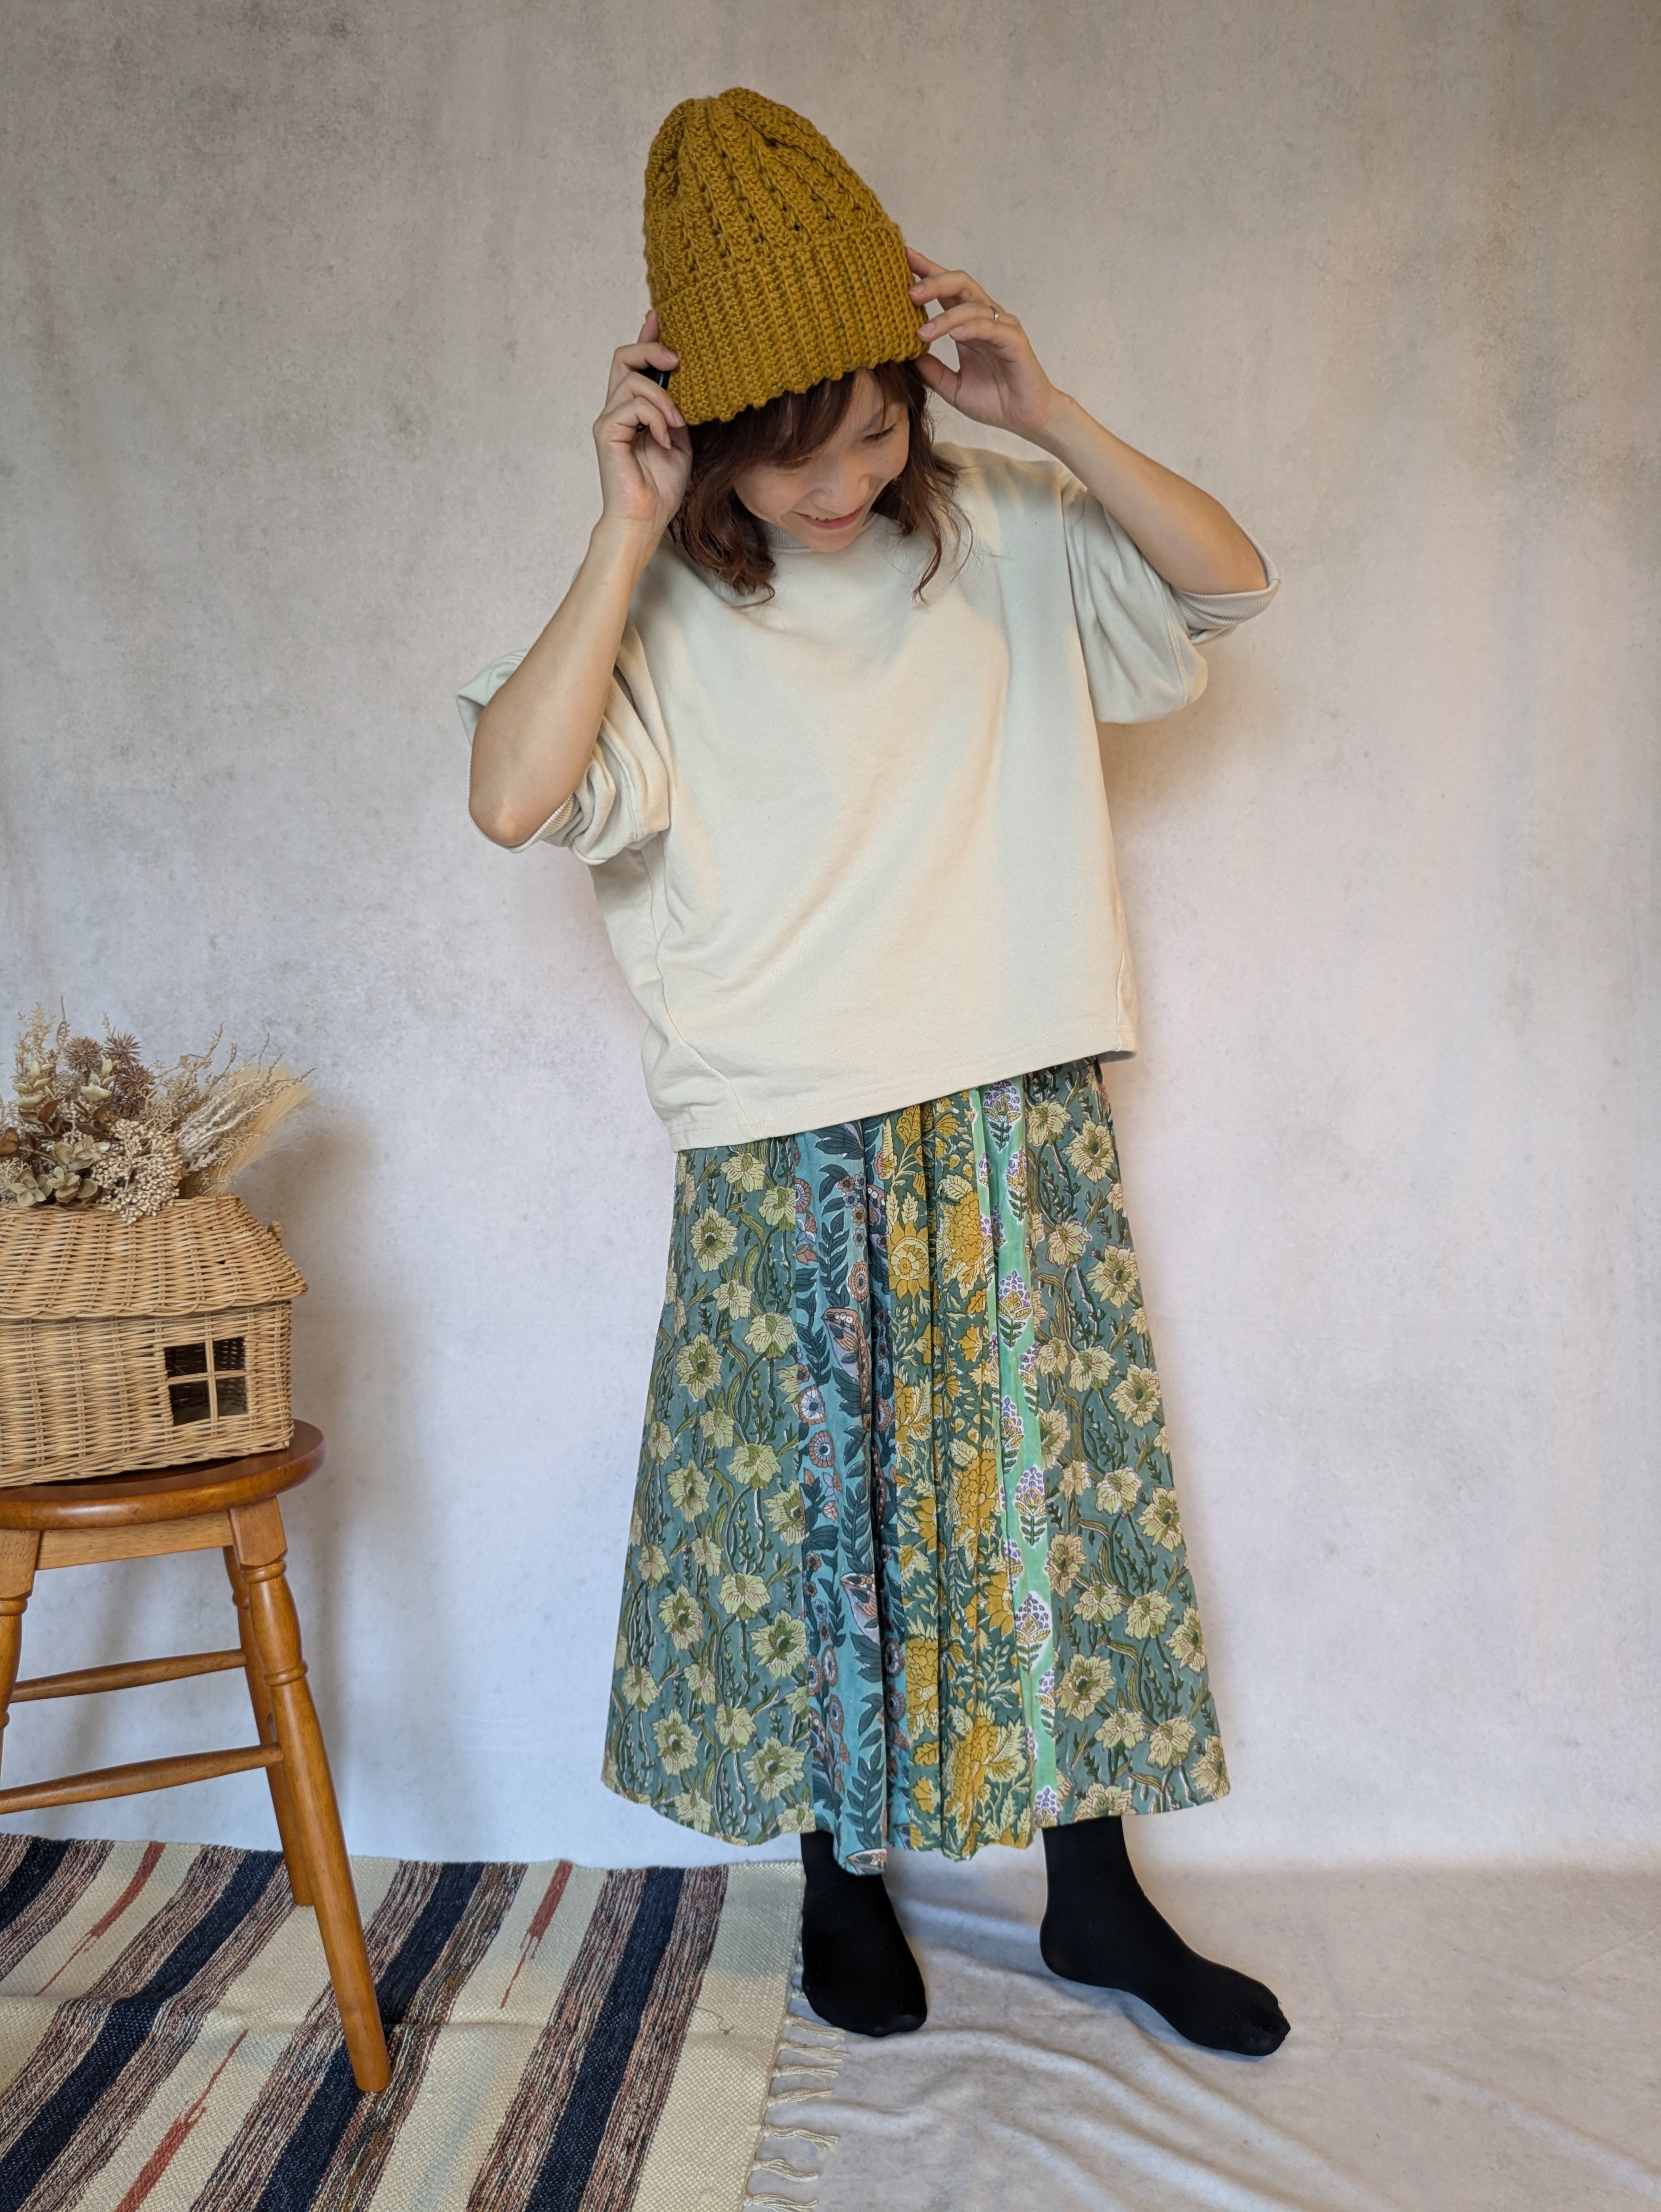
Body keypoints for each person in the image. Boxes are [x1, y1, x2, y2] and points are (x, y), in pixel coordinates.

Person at [463, 87, 1288, 2056]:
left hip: (1010, 1093)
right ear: (697, 433)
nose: (838, 486)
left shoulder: (999, 526)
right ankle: (838, 1877)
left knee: (1048, 1510)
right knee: (822, 1523)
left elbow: (1229, 584)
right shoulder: (658, 601)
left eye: (871, 432)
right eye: (787, 452)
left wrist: (1044, 413)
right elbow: (511, 795)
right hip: (781, 1124)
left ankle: (1094, 1898)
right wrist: (625, 527)